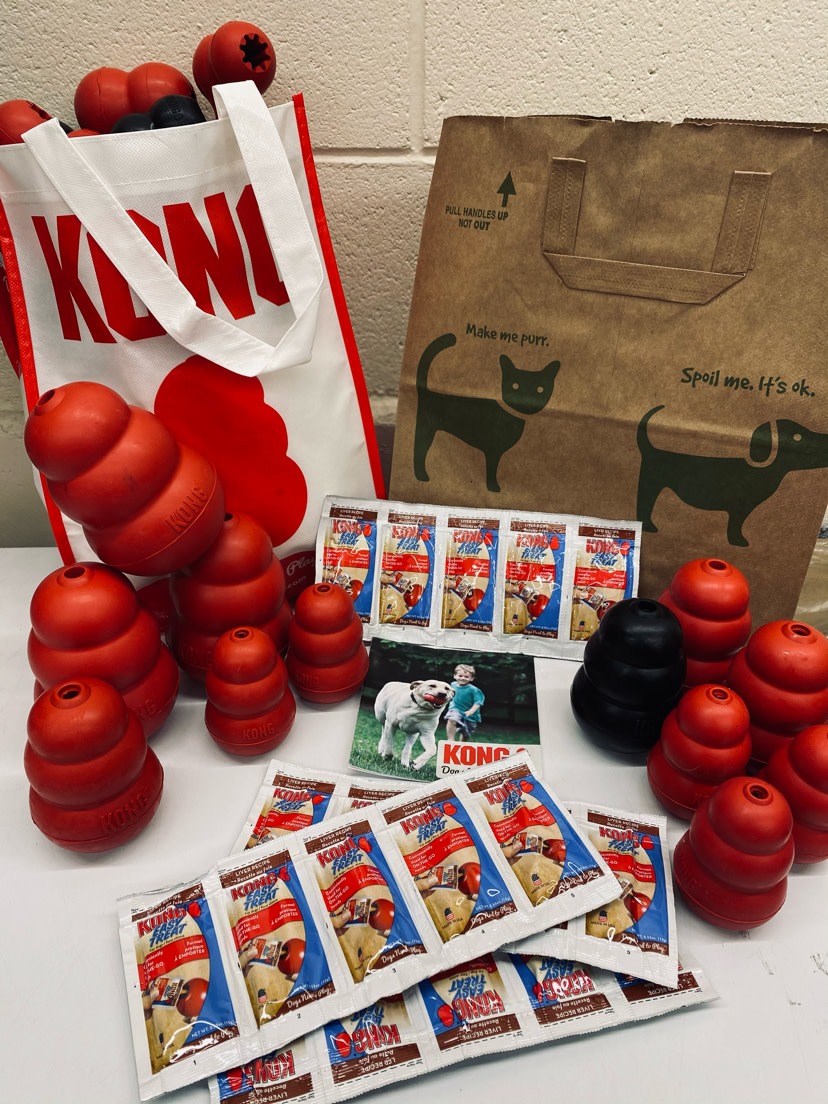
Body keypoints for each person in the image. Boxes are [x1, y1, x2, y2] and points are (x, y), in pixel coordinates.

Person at [445, 663, 485, 742]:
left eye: (466, 677)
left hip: (470, 715)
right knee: (451, 719)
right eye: (460, 676)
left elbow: (478, 703)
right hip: (455, 709)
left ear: (472, 678)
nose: (463, 678)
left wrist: (471, 711)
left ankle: (462, 745)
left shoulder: (474, 690)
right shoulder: (452, 685)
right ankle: (450, 739)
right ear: (455, 676)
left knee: (466, 733)